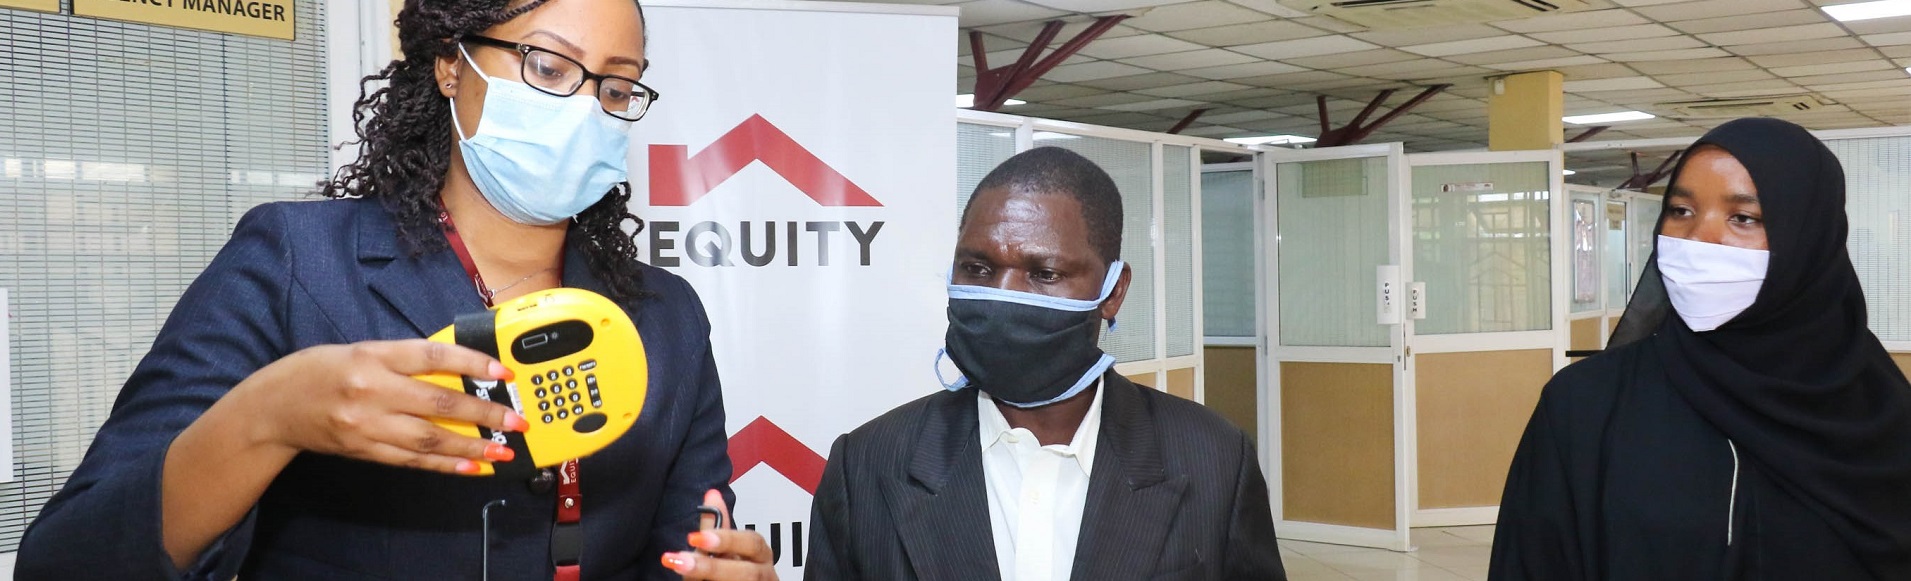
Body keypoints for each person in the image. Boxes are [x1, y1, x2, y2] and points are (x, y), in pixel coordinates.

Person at [16, 1, 774, 579]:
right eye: (548, 67)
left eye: (615, 85)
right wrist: (268, 419)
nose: (585, 106)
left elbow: (683, 548)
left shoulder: (665, 317)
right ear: (451, 65)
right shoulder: (294, 264)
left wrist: (722, 569)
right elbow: (68, 561)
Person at [803, 147, 1286, 581]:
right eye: (977, 269)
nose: (1002, 297)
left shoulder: (1214, 460)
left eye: (1045, 274)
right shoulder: (865, 464)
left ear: (1113, 292)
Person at [1490, 118, 1911, 580]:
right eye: (1681, 211)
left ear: (1809, 240)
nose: (1697, 238)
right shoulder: (1586, 404)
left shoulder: (1878, 409)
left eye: (1743, 218)